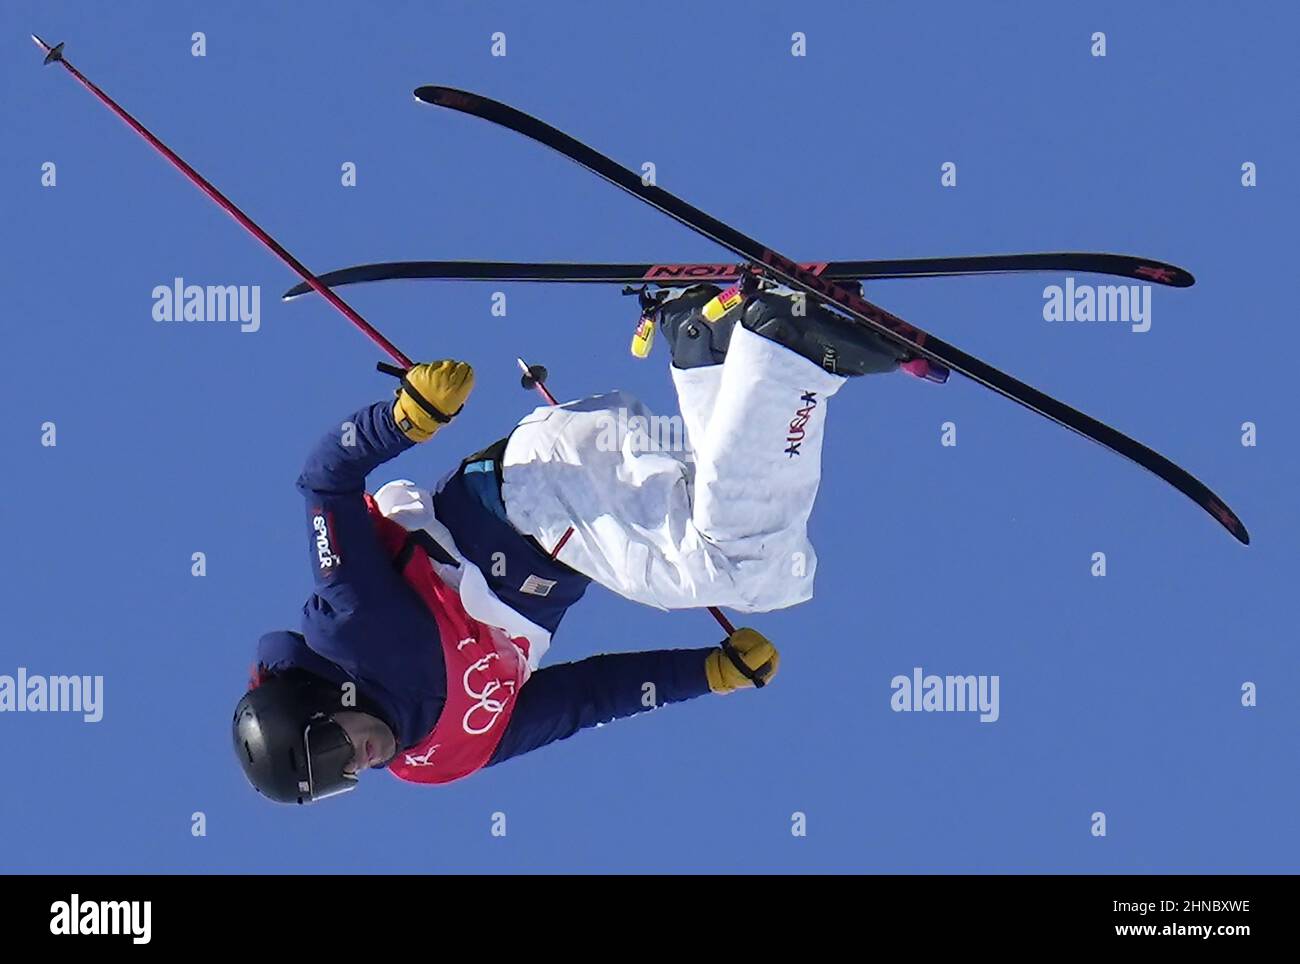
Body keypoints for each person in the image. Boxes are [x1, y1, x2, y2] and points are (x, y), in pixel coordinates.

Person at [233, 283, 932, 804]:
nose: (356, 763)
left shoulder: (350, 625)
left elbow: (324, 482)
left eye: (330, 749)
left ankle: (789, 349)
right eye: (339, 782)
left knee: (752, 571)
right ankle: (706, 343)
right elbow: (580, 701)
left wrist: (402, 419)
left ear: (322, 703)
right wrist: (704, 673)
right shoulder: (440, 759)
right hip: (581, 517)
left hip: (538, 493)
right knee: (720, 501)